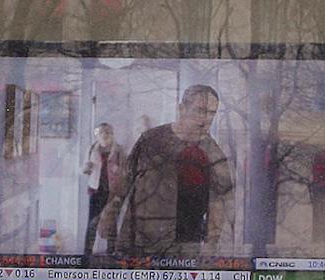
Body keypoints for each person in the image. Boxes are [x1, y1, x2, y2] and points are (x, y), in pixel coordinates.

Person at [99, 84, 235, 256]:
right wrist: (109, 214)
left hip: (184, 246)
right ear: (181, 109)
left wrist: (211, 244)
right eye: (200, 110)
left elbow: (219, 201)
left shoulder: (212, 154)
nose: (206, 119)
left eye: (211, 113)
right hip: (139, 242)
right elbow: (124, 182)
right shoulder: (151, 140)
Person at [82, 121, 123, 254]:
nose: (105, 135)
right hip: (96, 189)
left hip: (112, 191)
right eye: (101, 133)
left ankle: (111, 250)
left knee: (111, 220)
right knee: (93, 221)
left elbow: (126, 171)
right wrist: (86, 168)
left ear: (112, 134)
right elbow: (84, 170)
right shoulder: (91, 150)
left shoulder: (119, 151)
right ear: (97, 135)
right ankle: (87, 251)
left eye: (108, 132)